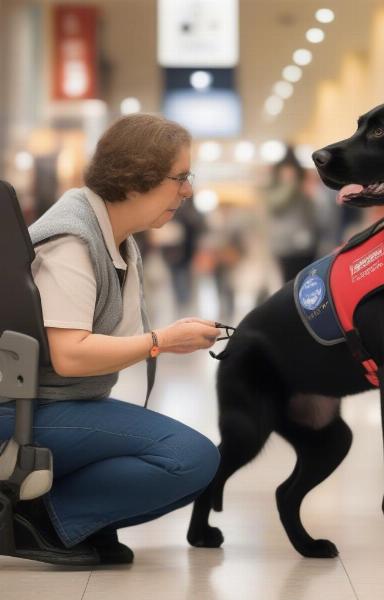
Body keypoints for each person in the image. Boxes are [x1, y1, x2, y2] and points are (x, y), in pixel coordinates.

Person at [0, 114, 222, 565]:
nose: (187, 190)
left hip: (53, 404)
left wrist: (165, 337)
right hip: (18, 412)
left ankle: (70, 519)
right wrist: (161, 341)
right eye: (180, 177)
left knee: (196, 464)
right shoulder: (72, 240)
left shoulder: (117, 238)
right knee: (190, 458)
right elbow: (70, 354)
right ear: (137, 177)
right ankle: (42, 522)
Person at [263, 148, 319, 283]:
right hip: (285, 247)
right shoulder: (275, 189)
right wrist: (290, 183)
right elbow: (276, 205)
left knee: (306, 281)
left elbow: (312, 214)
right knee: (289, 283)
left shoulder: (303, 189)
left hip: (306, 245)